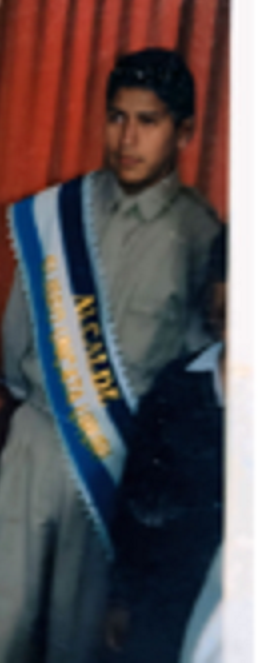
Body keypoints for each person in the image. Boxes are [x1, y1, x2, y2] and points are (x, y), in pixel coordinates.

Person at [0, 48, 221, 663]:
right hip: (36, 435)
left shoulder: (200, 236)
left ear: (184, 132)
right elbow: (17, 341)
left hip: (119, 459)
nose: (127, 139)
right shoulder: (60, 213)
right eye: (116, 118)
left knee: (78, 639)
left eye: (148, 121)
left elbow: (193, 377)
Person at [102, 232, 226, 662]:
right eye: (226, 280)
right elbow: (137, 502)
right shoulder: (178, 384)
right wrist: (122, 597)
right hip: (165, 603)